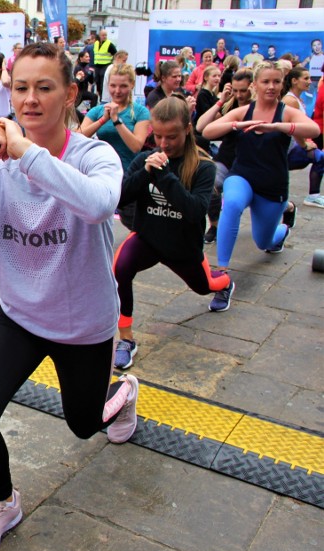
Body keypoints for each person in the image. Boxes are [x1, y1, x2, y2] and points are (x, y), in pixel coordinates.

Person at [0, 42, 138, 551]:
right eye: (20, 87)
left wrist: (27, 154)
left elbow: (96, 205)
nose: (29, 99)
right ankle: (4, 501)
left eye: (44, 88)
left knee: (83, 424)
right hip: (20, 316)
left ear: (69, 94)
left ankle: (123, 393)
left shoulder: (95, 155)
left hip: (84, 323)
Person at [113, 97, 233, 369]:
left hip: (183, 247)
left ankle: (225, 283)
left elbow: (194, 212)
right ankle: (126, 339)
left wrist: (165, 175)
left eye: (172, 136)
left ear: (188, 130)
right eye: (158, 136)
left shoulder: (203, 166)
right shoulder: (146, 158)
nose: (164, 144)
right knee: (120, 267)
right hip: (149, 238)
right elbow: (119, 198)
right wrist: (145, 171)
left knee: (205, 287)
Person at [202, 62, 319, 269]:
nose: (271, 86)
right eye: (265, 82)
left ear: (282, 84)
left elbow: (314, 130)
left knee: (264, 241)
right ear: (255, 84)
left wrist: (277, 127)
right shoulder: (244, 111)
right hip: (242, 176)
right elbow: (207, 130)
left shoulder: (285, 112)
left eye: (276, 81)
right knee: (231, 203)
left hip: (272, 186)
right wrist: (237, 124)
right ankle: (221, 272)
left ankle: (281, 231)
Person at [79, 64, 150, 229]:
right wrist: (103, 119)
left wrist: (117, 120)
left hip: (129, 178)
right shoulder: (97, 111)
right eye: (113, 85)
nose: (117, 91)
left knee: (135, 227)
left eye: (123, 86)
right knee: (96, 226)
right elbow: (79, 136)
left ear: (132, 85)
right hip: (102, 175)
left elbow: (136, 146)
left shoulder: (140, 112)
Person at [195, 70, 255, 243]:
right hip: (227, 159)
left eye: (243, 90)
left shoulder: (259, 108)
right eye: (235, 90)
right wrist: (221, 100)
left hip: (250, 163)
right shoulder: (230, 106)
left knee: (264, 199)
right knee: (211, 185)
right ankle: (215, 225)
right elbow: (201, 126)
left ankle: (287, 208)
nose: (239, 95)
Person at [281, 66, 324, 209]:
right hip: (285, 149)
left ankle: (313, 195)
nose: (309, 81)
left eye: (310, 78)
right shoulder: (290, 100)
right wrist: (305, 145)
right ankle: (313, 196)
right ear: (294, 81)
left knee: (319, 156)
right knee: (319, 156)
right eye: (305, 78)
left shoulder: (297, 99)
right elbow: (294, 129)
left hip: (292, 146)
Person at [93, 29, 117, 98]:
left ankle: (103, 98)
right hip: (97, 65)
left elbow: (116, 54)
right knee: (97, 81)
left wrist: (113, 63)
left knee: (103, 82)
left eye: (105, 35)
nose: (104, 37)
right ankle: (100, 94)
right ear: (99, 36)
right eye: (103, 35)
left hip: (106, 65)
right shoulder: (96, 43)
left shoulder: (109, 44)